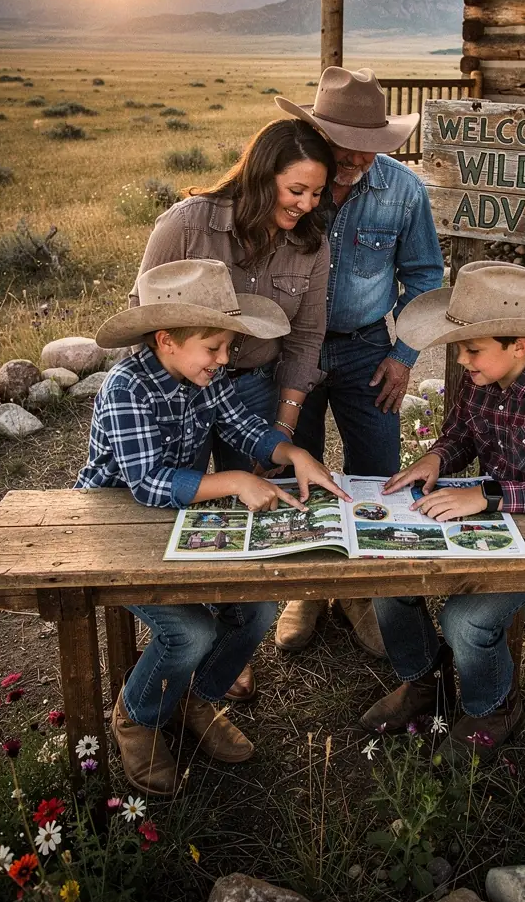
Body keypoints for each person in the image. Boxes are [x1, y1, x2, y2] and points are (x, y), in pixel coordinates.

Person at [76, 258, 349, 796]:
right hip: (116, 526)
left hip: (177, 519)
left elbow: (242, 426)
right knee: (190, 630)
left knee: (258, 606)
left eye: (227, 347)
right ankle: (138, 715)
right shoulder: (126, 386)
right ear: (167, 340)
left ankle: (197, 698)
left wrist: (291, 451)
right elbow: (147, 484)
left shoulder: (205, 374)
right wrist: (232, 483)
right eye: (214, 348)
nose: (225, 359)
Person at [132, 118, 335, 699]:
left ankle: (223, 653)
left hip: (252, 387)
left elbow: (306, 336)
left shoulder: (311, 240)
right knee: (190, 519)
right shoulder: (183, 226)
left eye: (317, 193)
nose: (306, 204)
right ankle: (194, 652)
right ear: (258, 175)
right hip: (179, 388)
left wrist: (287, 432)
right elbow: (145, 312)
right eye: (296, 190)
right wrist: (173, 383)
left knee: (254, 518)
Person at [362, 261, 525, 760]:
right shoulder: (479, 379)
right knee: (389, 581)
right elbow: (462, 435)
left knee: (466, 619)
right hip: (485, 516)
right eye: (460, 348)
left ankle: (494, 704)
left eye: (473, 349)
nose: (463, 360)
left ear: (519, 346)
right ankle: (428, 682)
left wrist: (491, 498)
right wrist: (435, 456)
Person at [272, 67, 444, 656]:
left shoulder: (403, 189)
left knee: (379, 470)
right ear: (316, 133)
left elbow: (423, 278)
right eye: (348, 148)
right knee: (299, 464)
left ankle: (365, 592)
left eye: (372, 149)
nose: (359, 161)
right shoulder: (288, 182)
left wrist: (403, 355)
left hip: (368, 347)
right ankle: (308, 590)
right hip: (291, 347)